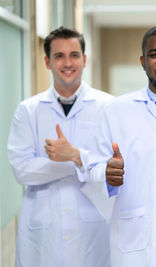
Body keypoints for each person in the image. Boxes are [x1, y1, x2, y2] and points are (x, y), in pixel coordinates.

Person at [83, 25, 156, 267]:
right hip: (136, 239)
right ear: (143, 61)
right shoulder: (116, 110)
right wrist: (105, 174)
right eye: (155, 54)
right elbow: (91, 168)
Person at [7, 26, 113, 267]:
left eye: (74, 55)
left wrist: (74, 155)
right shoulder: (29, 110)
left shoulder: (108, 106)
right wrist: (81, 163)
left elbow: (112, 168)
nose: (68, 62)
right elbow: (22, 170)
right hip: (43, 229)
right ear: (47, 62)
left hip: (92, 227)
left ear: (84, 59)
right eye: (59, 56)